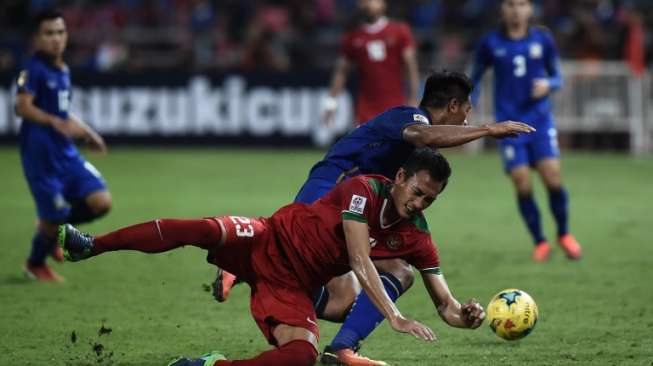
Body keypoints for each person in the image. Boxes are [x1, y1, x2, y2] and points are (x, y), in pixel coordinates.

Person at [214, 71, 534, 366]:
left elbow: (444, 305)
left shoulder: (411, 166)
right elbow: (424, 135)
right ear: (453, 106)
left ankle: (341, 349)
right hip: (331, 188)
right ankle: (240, 263)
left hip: (352, 201)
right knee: (294, 252)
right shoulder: (410, 118)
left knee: (356, 293)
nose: (468, 118)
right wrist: (488, 130)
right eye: (467, 110)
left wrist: (463, 315)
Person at [57, 148, 486, 366]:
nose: (420, 203)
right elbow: (358, 259)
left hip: (291, 286)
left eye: (430, 199)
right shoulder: (364, 190)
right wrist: (394, 316)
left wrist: (465, 315)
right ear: (399, 178)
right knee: (204, 229)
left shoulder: (417, 237)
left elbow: (445, 305)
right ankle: (91, 245)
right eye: (417, 192)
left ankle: (209, 365)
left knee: (301, 356)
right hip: (267, 237)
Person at [470, 0, 582, 262]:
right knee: (522, 183)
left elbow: (557, 75)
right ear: (502, 10)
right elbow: (474, 77)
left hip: (540, 121)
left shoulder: (542, 39)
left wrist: (549, 84)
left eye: (521, 4)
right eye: (510, 4)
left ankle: (564, 234)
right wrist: (468, 102)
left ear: (530, 9)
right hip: (509, 125)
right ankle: (540, 242)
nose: (516, 9)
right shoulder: (490, 43)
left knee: (553, 178)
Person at [15, 10, 111, 282]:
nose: (56, 38)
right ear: (36, 38)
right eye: (49, 33)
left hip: (66, 153)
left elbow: (64, 110)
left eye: (60, 32)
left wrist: (89, 133)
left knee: (101, 202)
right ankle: (35, 264)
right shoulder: (32, 69)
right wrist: (53, 122)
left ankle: (55, 231)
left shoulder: (63, 70)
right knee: (53, 216)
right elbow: (22, 107)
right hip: (41, 157)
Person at [322, 0, 419, 126]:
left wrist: (414, 99)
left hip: (396, 108)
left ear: (383, 4)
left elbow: (411, 68)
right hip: (365, 111)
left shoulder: (400, 31)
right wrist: (331, 104)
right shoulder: (352, 37)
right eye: (363, 1)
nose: (368, 4)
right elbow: (341, 72)